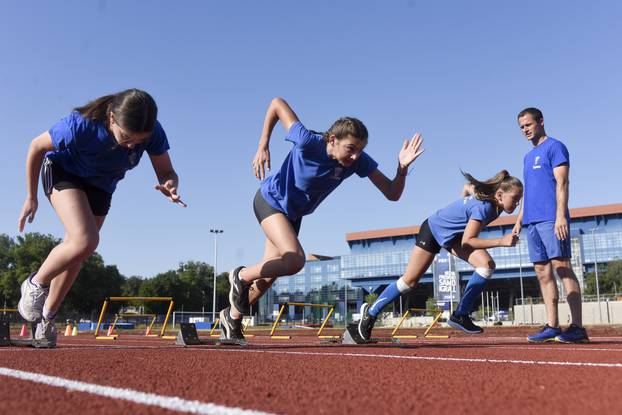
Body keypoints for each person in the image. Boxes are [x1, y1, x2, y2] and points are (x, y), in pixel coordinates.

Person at [219, 97, 424, 340]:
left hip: (292, 215)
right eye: (351, 149)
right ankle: (240, 275)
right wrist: (263, 144)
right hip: (270, 201)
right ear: (332, 140)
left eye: (360, 150)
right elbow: (276, 104)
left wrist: (401, 169)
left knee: (265, 279)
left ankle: (230, 318)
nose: (356, 156)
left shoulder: (356, 163)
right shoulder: (307, 141)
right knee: (295, 260)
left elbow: (392, 193)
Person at [17, 88, 185, 347]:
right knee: (85, 240)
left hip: (101, 186)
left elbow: (166, 171)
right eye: (126, 138)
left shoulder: (153, 132)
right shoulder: (79, 126)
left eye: (139, 142)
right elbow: (36, 147)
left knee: (78, 251)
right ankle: (35, 283)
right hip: (64, 172)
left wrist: (170, 185)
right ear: (111, 119)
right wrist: (31, 196)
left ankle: (47, 317)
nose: (132, 146)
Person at [356, 170, 523, 341]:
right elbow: (468, 241)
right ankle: (370, 313)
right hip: (433, 231)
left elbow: (467, 187)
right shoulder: (485, 207)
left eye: (519, 201)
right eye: (515, 200)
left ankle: (460, 314)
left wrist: (461, 207)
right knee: (409, 282)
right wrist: (501, 241)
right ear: (500, 195)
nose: (517, 204)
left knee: (486, 266)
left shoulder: (492, 200)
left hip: (452, 237)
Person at [514, 107, 588, 343]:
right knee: (542, 272)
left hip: (551, 219)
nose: (525, 129)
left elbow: (562, 183)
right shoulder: (527, 157)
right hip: (532, 222)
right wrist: (518, 221)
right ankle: (552, 326)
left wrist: (560, 216)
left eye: (528, 124)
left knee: (562, 267)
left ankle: (577, 327)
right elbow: (528, 193)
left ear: (541, 122)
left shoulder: (555, 146)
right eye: (522, 127)